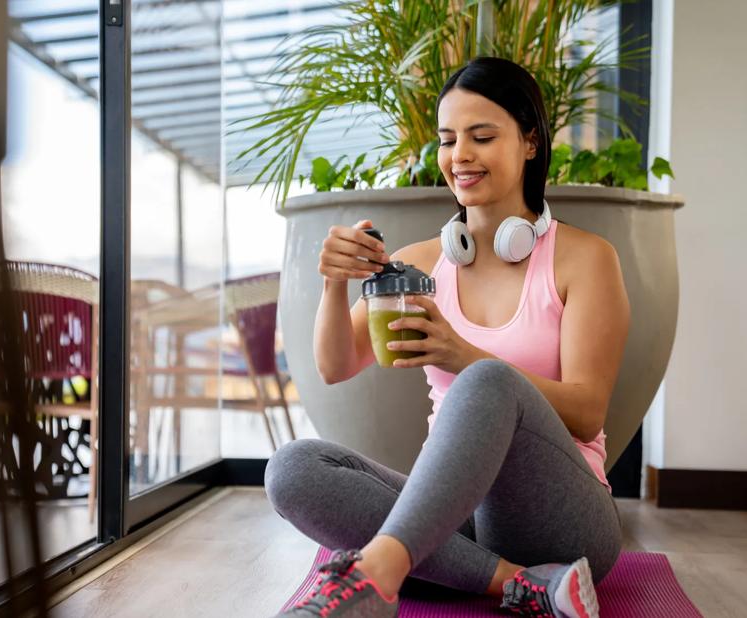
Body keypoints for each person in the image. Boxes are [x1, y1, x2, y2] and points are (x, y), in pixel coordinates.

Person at [265, 57, 629, 618]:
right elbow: (335, 366)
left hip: (565, 517)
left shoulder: (586, 260)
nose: (459, 155)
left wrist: (464, 356)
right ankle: (519, 584)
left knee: (487, 379)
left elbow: (587, 411)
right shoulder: (419, 265)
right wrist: (335, 285)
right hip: (461, 513)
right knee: (291, 469)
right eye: (448, 138)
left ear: (530, 142)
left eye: (482, 136)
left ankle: (378, 572)